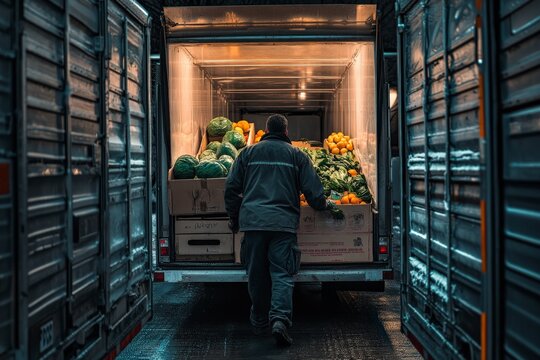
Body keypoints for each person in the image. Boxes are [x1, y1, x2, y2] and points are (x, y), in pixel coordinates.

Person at [224, 114, 343, 346]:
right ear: (286, 132)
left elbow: (231, 188)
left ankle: (259, 320)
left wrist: (235, 218)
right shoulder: (297, 155)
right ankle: (279, 320)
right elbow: (313, 191)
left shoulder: (247, 154)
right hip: (283, 224)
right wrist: (324, 205)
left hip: (254, 224)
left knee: (256, 275)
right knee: (282, 274)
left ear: (266, 130)